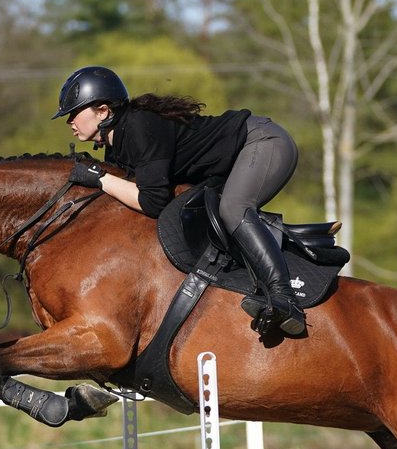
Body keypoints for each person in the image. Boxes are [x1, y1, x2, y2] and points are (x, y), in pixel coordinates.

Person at [52, 65, 306, 337]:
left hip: (262, 142)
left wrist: (100, 178)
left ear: (103, 111)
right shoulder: (117, 148)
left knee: (233, 209)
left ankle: (285, 298)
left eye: (74, 113)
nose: (69, 122)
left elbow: (152, 202)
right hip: (231, 165)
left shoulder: (139, 126)